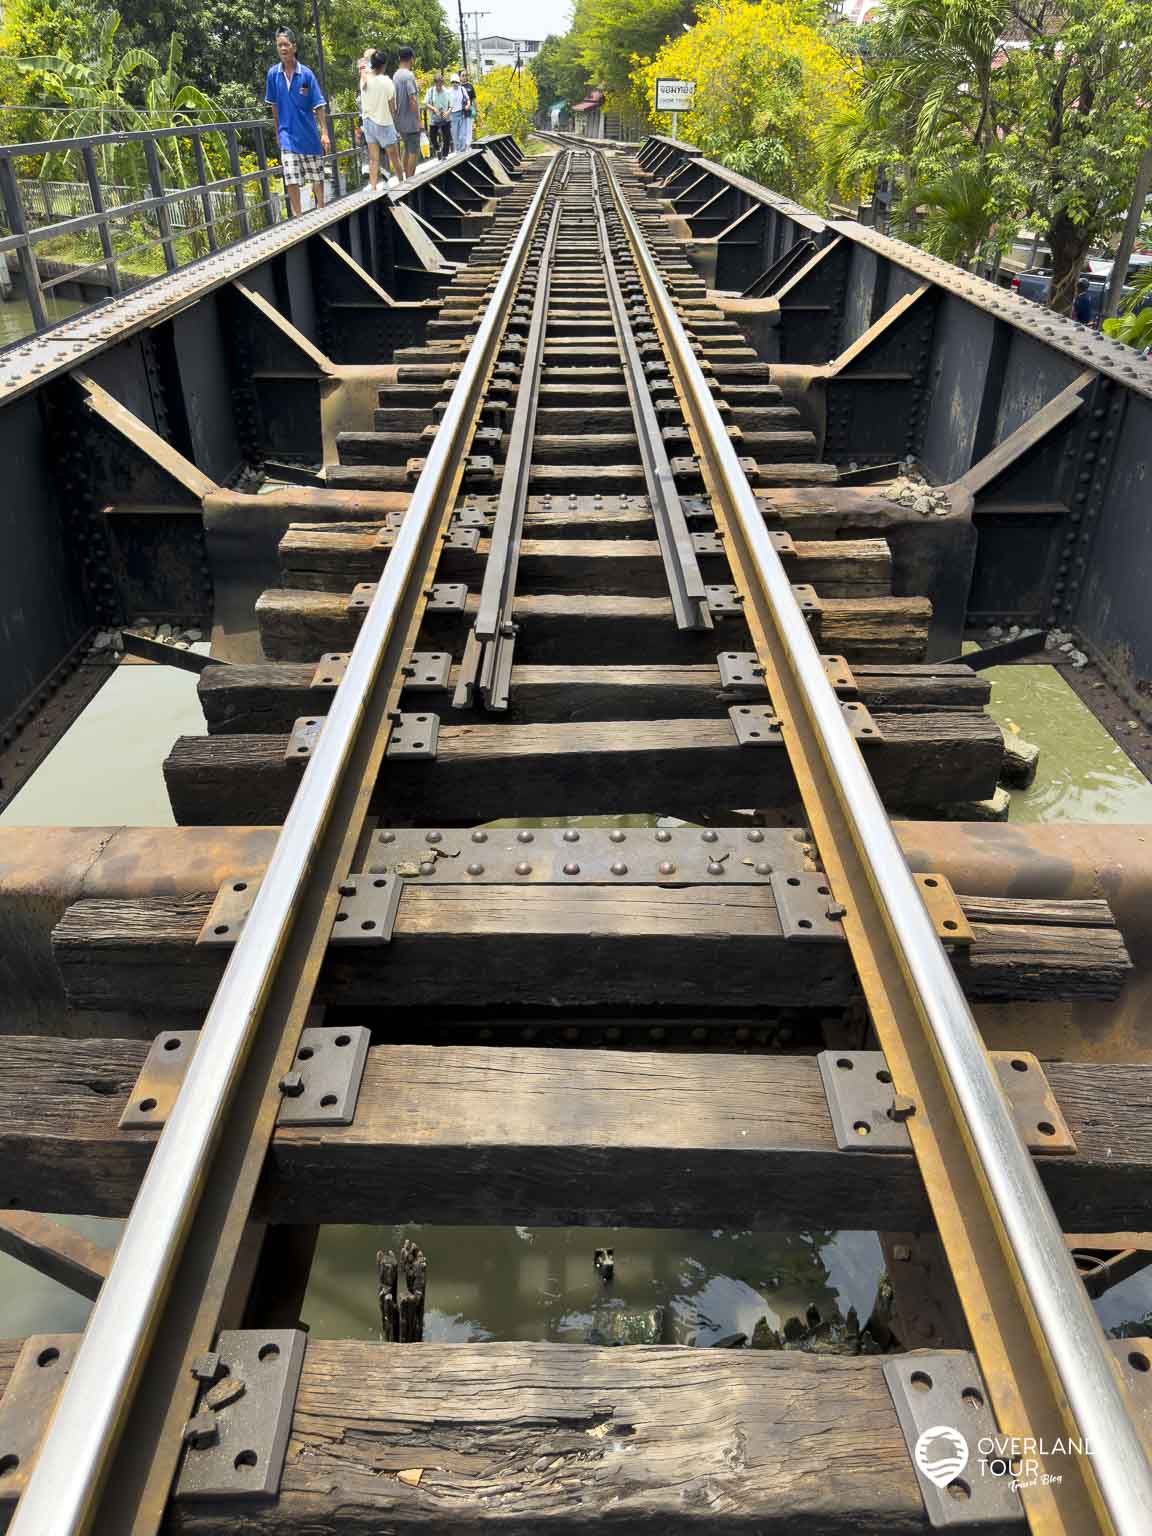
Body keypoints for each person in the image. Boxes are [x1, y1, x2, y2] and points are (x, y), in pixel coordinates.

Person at [265, 26, 330, 215]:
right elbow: (274, 106)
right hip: (287, 135)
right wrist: (278, 131)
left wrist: (324, 132)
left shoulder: (306, 74)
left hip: (308, 134)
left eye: (286, 44)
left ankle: (321, 209)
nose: (283, 49)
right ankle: (297, 215)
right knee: (291, 178)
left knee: (316, 178)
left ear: (294, 46)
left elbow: (318, 104)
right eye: (279, 45)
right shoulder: (273, 74)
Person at [360, 50, 400, 189]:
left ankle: (373, 187)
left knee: (373, 158)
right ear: (384, 65)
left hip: (368, 123)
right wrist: (394, 123)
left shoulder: (364, 79)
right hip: (384, 122)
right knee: (394, 157)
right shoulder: (387, 81)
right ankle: (403, 182)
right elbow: (392, 107)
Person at [392, 46, 422, 179]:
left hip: (399, 120)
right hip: (410, 120)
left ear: (399, 58)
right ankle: (410, 179)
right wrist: (419, 120)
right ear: (412, 59)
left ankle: (404, 177)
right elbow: (413, 99)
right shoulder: (409, 75)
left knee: (406, 147)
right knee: (414, 150)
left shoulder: (396, 75)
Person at [423, 70, 452, 160]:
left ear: (442, 83)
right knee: (433, 137)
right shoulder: (430, 91)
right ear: (435, 83)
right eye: (437, 84)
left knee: (447, 137)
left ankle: (444, 155)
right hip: (434, 118)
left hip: (445, 117)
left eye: (441, 84)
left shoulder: (447, 92)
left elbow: (451, 105)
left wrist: (447, 112)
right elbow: (426, 103)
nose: (439, 86)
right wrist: (434, 109)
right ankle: (437, 149)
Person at [448, 72, 469, 155]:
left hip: (461, 112)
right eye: (453, 82)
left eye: (456, 82)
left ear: (458, 82)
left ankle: (462, 150)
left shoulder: (462, 89)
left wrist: (467, 105)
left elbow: (467, 99)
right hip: (452, 114)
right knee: (455, 134)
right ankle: (458, 150)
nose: (455, 84)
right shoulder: (448, 91)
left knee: (462, 133)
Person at [459, 69, 477, 148]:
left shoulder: (470, 86)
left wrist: (476, 110)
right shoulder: (458, 86)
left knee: (469, 128)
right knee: (462, 129)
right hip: (460, 111)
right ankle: (462, 145)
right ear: (459, 77)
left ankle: (468, 144)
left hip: (469, 110)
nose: (464, 77)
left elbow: (474, 99)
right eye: (463, 75)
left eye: (466, 75)